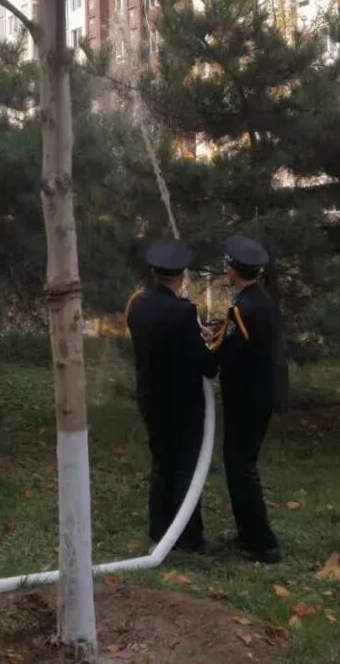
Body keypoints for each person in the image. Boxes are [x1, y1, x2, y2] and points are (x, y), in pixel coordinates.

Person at [124, 238, 220, 554]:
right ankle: (188, 538)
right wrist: (208, 342)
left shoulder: (137, 306)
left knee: (162, 463)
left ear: (154, 273)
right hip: (183, 404)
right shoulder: (183, 313)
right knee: (185, 468)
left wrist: (192, 333)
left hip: (150, 399)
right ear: (181, 276)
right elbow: (206, 366)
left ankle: (159, 528)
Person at [207, 234, 282, 564]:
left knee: (241, 467)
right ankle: (248, 534)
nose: (226, 269)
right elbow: (244, 343)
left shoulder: (243, 309)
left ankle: (263, 544)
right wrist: (218, 336)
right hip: (258, 393)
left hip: (246, 398)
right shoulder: (259, 301)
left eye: (227, 266)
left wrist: (210, 350)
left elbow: (230, 355)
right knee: (240, 465)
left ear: (233, 270)